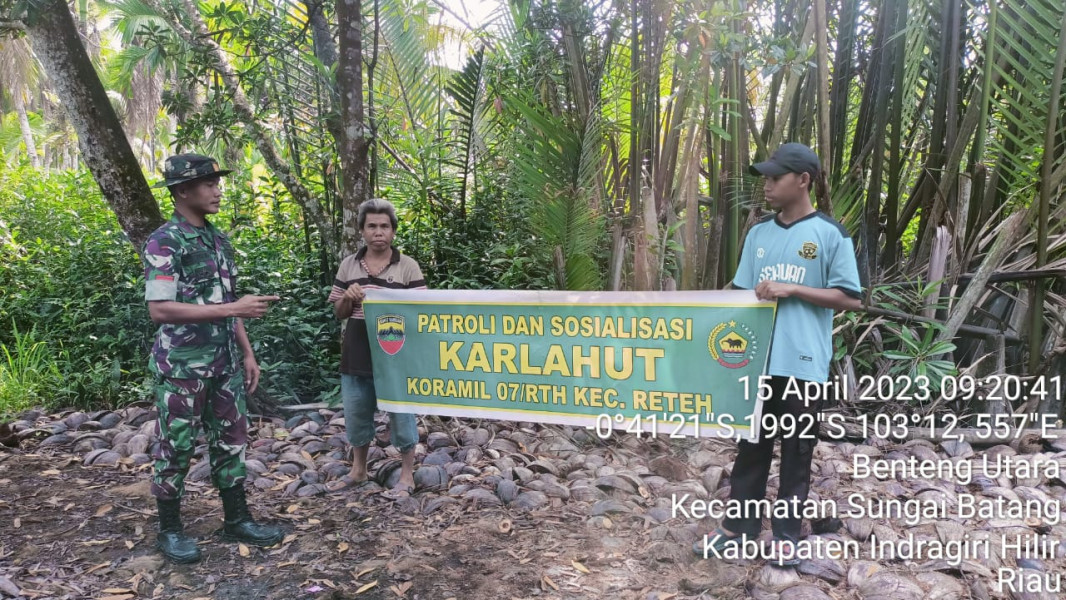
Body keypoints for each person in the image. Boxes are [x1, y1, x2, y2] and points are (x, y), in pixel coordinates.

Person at [695, 143, 862, 566]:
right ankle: (737, 529)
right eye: (765, 178)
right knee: (751, 446)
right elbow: (739, 293)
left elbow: (850, 298)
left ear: (803, 180)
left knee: (797, 449)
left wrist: (793, 289)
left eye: (775, 178)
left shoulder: (829, 234)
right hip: (755, 362)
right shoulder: (759, 234)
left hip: (802, 363)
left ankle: (787, 536)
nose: (767, 186)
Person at [143, 153, 284, 563]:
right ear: (182, 191)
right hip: (182, 367)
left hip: (223, 364)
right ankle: (170, 530)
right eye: (207, 183)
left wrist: (247, 351)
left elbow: (227, 302)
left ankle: (236, 520)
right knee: (177, 447)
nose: (217, 190)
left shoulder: (217, 239)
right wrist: (232, 310)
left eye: (216, 182)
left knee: (232, 441)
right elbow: (160, 310)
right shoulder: (164, 241)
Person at [326, 198, 426, 498]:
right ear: (362, 230)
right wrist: (349, 297)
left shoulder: (407, 266)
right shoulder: (349, 265)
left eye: (384, 226)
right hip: (357, 350)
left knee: (402, 413)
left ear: (393, 231)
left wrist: (388, 298)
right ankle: (359, 470)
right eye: (372, 226)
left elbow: (421, 313)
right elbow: (339, 313)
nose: (378, 232)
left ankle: (407, 474)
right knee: (357, 411)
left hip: (396, 354)